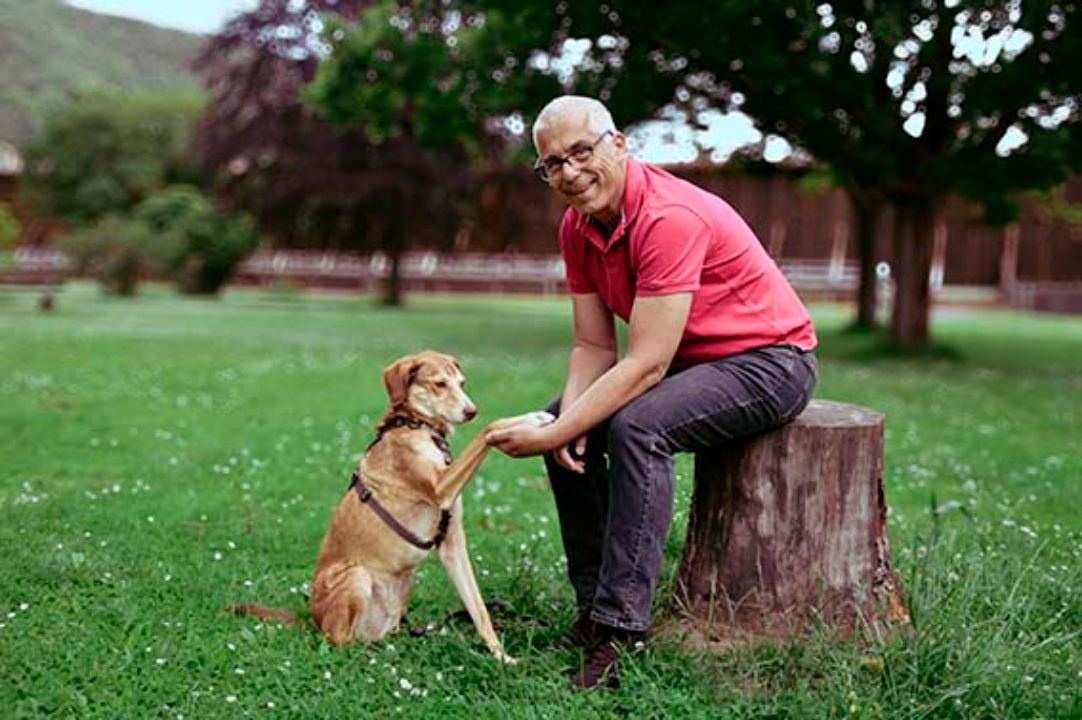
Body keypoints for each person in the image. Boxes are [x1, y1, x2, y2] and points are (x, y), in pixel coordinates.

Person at [486, 95, 818, 690]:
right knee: (568, 420)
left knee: (636, 428)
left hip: (771, 362)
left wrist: (556, 432)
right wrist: (564, 423)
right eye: (552, 163)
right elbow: (593, 348)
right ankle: (592, 611)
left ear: (619, 143)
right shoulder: (579, 227)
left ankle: (622, 630)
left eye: (580, 152)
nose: (569, 172)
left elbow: (646, 365)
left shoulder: (667, 217)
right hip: (693, 366)